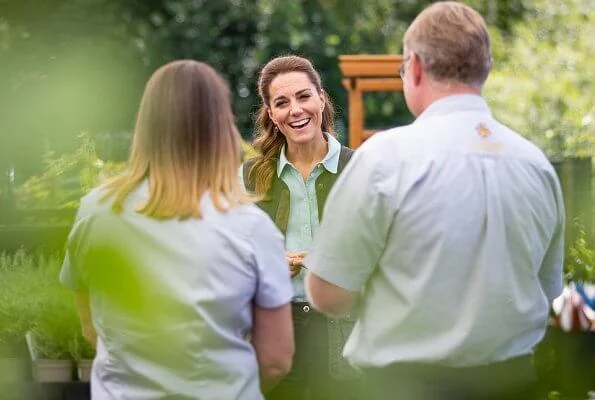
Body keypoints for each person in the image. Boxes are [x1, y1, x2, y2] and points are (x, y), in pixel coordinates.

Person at [304, 2, 565, 399]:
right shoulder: (536, 165)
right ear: (487, 70)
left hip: (406, 387)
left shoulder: (384, 159)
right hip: (515, 384)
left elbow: (328, 294)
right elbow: (546, 291)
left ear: (416, 67)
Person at [59, 60, 294, 399]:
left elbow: (90, 328)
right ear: (221, 127)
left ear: (147, 124)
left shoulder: (95, 212)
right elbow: (275, 361)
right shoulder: (252, 227)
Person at [240, 55, 361, 400]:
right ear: (272, 114)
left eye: (304, 96)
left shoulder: (361, 170)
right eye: (282, 102)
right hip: (274, 332)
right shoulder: (248, 177)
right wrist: (268, 265)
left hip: (345, 332)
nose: (295, 110)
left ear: (321, 99)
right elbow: (229, 258)